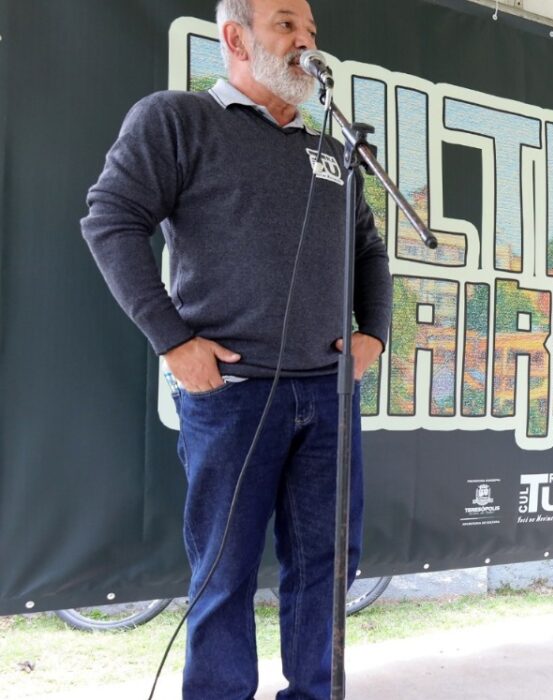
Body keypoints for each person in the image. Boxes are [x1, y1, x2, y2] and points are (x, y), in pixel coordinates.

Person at [80, 0, 391, 696]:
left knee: (328, 566)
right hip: (233, 395)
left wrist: (374, 332)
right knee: (225, 571)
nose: (306, 41)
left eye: (311, 30)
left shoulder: (332, 149)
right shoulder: (178, 119)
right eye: (286, 24)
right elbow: (110, 221)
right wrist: (173, 341)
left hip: (329, 394)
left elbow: (368, 249)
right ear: (236, 37)